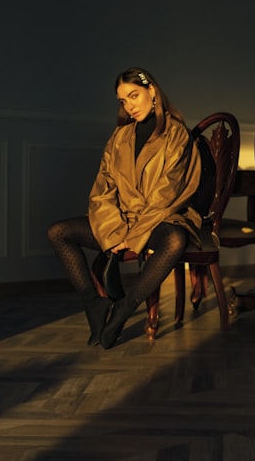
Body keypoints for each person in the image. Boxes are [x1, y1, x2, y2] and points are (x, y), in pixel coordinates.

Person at [47, 67, 202, 349]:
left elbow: (167, 194)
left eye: (134, 96)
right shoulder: (119, 138)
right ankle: (94, 302)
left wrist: (135, 233)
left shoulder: (176, 135)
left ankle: (125, 307)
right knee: (58, 232)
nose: (129, 106)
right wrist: (116, 232)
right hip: (119, 221)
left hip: (160, 220)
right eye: (123, 100)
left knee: (175, 240)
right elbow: (102, 190)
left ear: (152, 91)